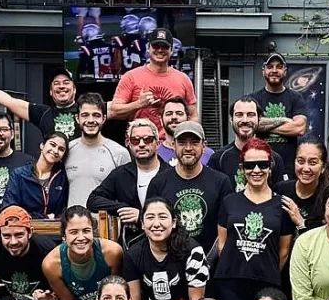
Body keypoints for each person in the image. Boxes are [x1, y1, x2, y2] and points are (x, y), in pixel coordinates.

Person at [214, 138, 295, 300]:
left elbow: (284, 250)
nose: (256, 170)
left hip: (267, 280)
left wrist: (266, 269)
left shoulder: (282, 205)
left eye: (263, 164)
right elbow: (222, 242)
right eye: (250, 165)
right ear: (242, 168)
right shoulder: (229, 201)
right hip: (231, 280)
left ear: (270, 166)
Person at [125, 197, 209, 300]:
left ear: (174, 222)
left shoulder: (193, 251)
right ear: (142, 224)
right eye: (150, 218)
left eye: (163, 217)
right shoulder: (133, 254)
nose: (156, 223)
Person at [146, 121, 234, 252]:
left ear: (204, 146)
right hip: (170, 259)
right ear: (173, 145)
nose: (188, 148)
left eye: (194, 142)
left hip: (211, 261)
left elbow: (227, 230)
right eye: (182, 142)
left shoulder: (221, 182)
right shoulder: (158, 183)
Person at [87, 119, 172, 246]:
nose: (141, 144)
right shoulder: (121, 174)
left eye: (147, 139)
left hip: (167, 243)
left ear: (158, 143)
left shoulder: (171, 174)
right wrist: (123, 209)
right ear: (129, 143)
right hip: (132, 244)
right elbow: (93, 200)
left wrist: (141, 215)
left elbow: (177, 210)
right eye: (135, 140)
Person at [43, 206, 123, 300]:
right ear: (64, 236)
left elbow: (119, 292)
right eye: (74, 232)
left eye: (86, 231)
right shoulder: (52, 264)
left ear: (93, 232)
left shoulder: (112, 252)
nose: (81, 237)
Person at [0, 65, 81, 141]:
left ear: (74, 89)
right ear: (51, 92)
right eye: (56, 84)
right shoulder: (43, 113)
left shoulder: (86, 111)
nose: (61, 86)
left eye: (66, 82)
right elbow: (6, 100)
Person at [110, 27, 197, 133]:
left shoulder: (183, 79)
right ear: (148, 48)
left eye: (164, 47)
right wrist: (138, 104)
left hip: (174, 145)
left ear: (171, 50)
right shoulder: (131, 77)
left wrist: (187, 139)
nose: (160, 50)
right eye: (156, 46)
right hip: (142, 143)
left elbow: (193, 116)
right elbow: (114, 111)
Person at [64, 93, 131, 208]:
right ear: (77, 118)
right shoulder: (67, 150)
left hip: (104, 223)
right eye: (85, 115)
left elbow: (126, 195)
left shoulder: (119, 153)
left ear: (104, 118)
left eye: (96, 115)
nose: (90, 120)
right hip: (72, 223)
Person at [210, 97, 289, 192]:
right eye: (239, 115)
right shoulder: (218, 159)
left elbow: (280, 197)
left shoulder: (274, 159)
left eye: (250, 115)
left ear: (259, 119)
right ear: (231, 120)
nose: (245, 120)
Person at [248, 53, 308, 177]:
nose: (274, 71)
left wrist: (263, 125)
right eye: (270, 67)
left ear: (285, 71)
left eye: (279, 67)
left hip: (288, 167)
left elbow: (299, 128)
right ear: (263, 71)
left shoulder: (295, 98)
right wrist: (283, 119)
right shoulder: (253, 99)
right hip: (259, 165)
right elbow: (252, 124)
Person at [0, 132, 69, 219]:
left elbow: (63, 212)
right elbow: (9, 209)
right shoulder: (19, 174)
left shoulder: (63, 178)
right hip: (23, 229)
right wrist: (45, 217)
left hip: (54, 230)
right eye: (52, 145)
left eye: (61, 149)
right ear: (42, 146)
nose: (55, 151)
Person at [277, 139, 329, 235]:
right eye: (300, 161)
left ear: (323, 167)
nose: (305, 168)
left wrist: (301, 222)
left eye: (313, 163)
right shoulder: (280, 190)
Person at [157, 97, 212, 165]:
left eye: (179, 113)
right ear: (161, 120)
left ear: (188, 119)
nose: (174, 117)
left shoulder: (208, 155)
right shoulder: (155, 154)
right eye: (169, 114)